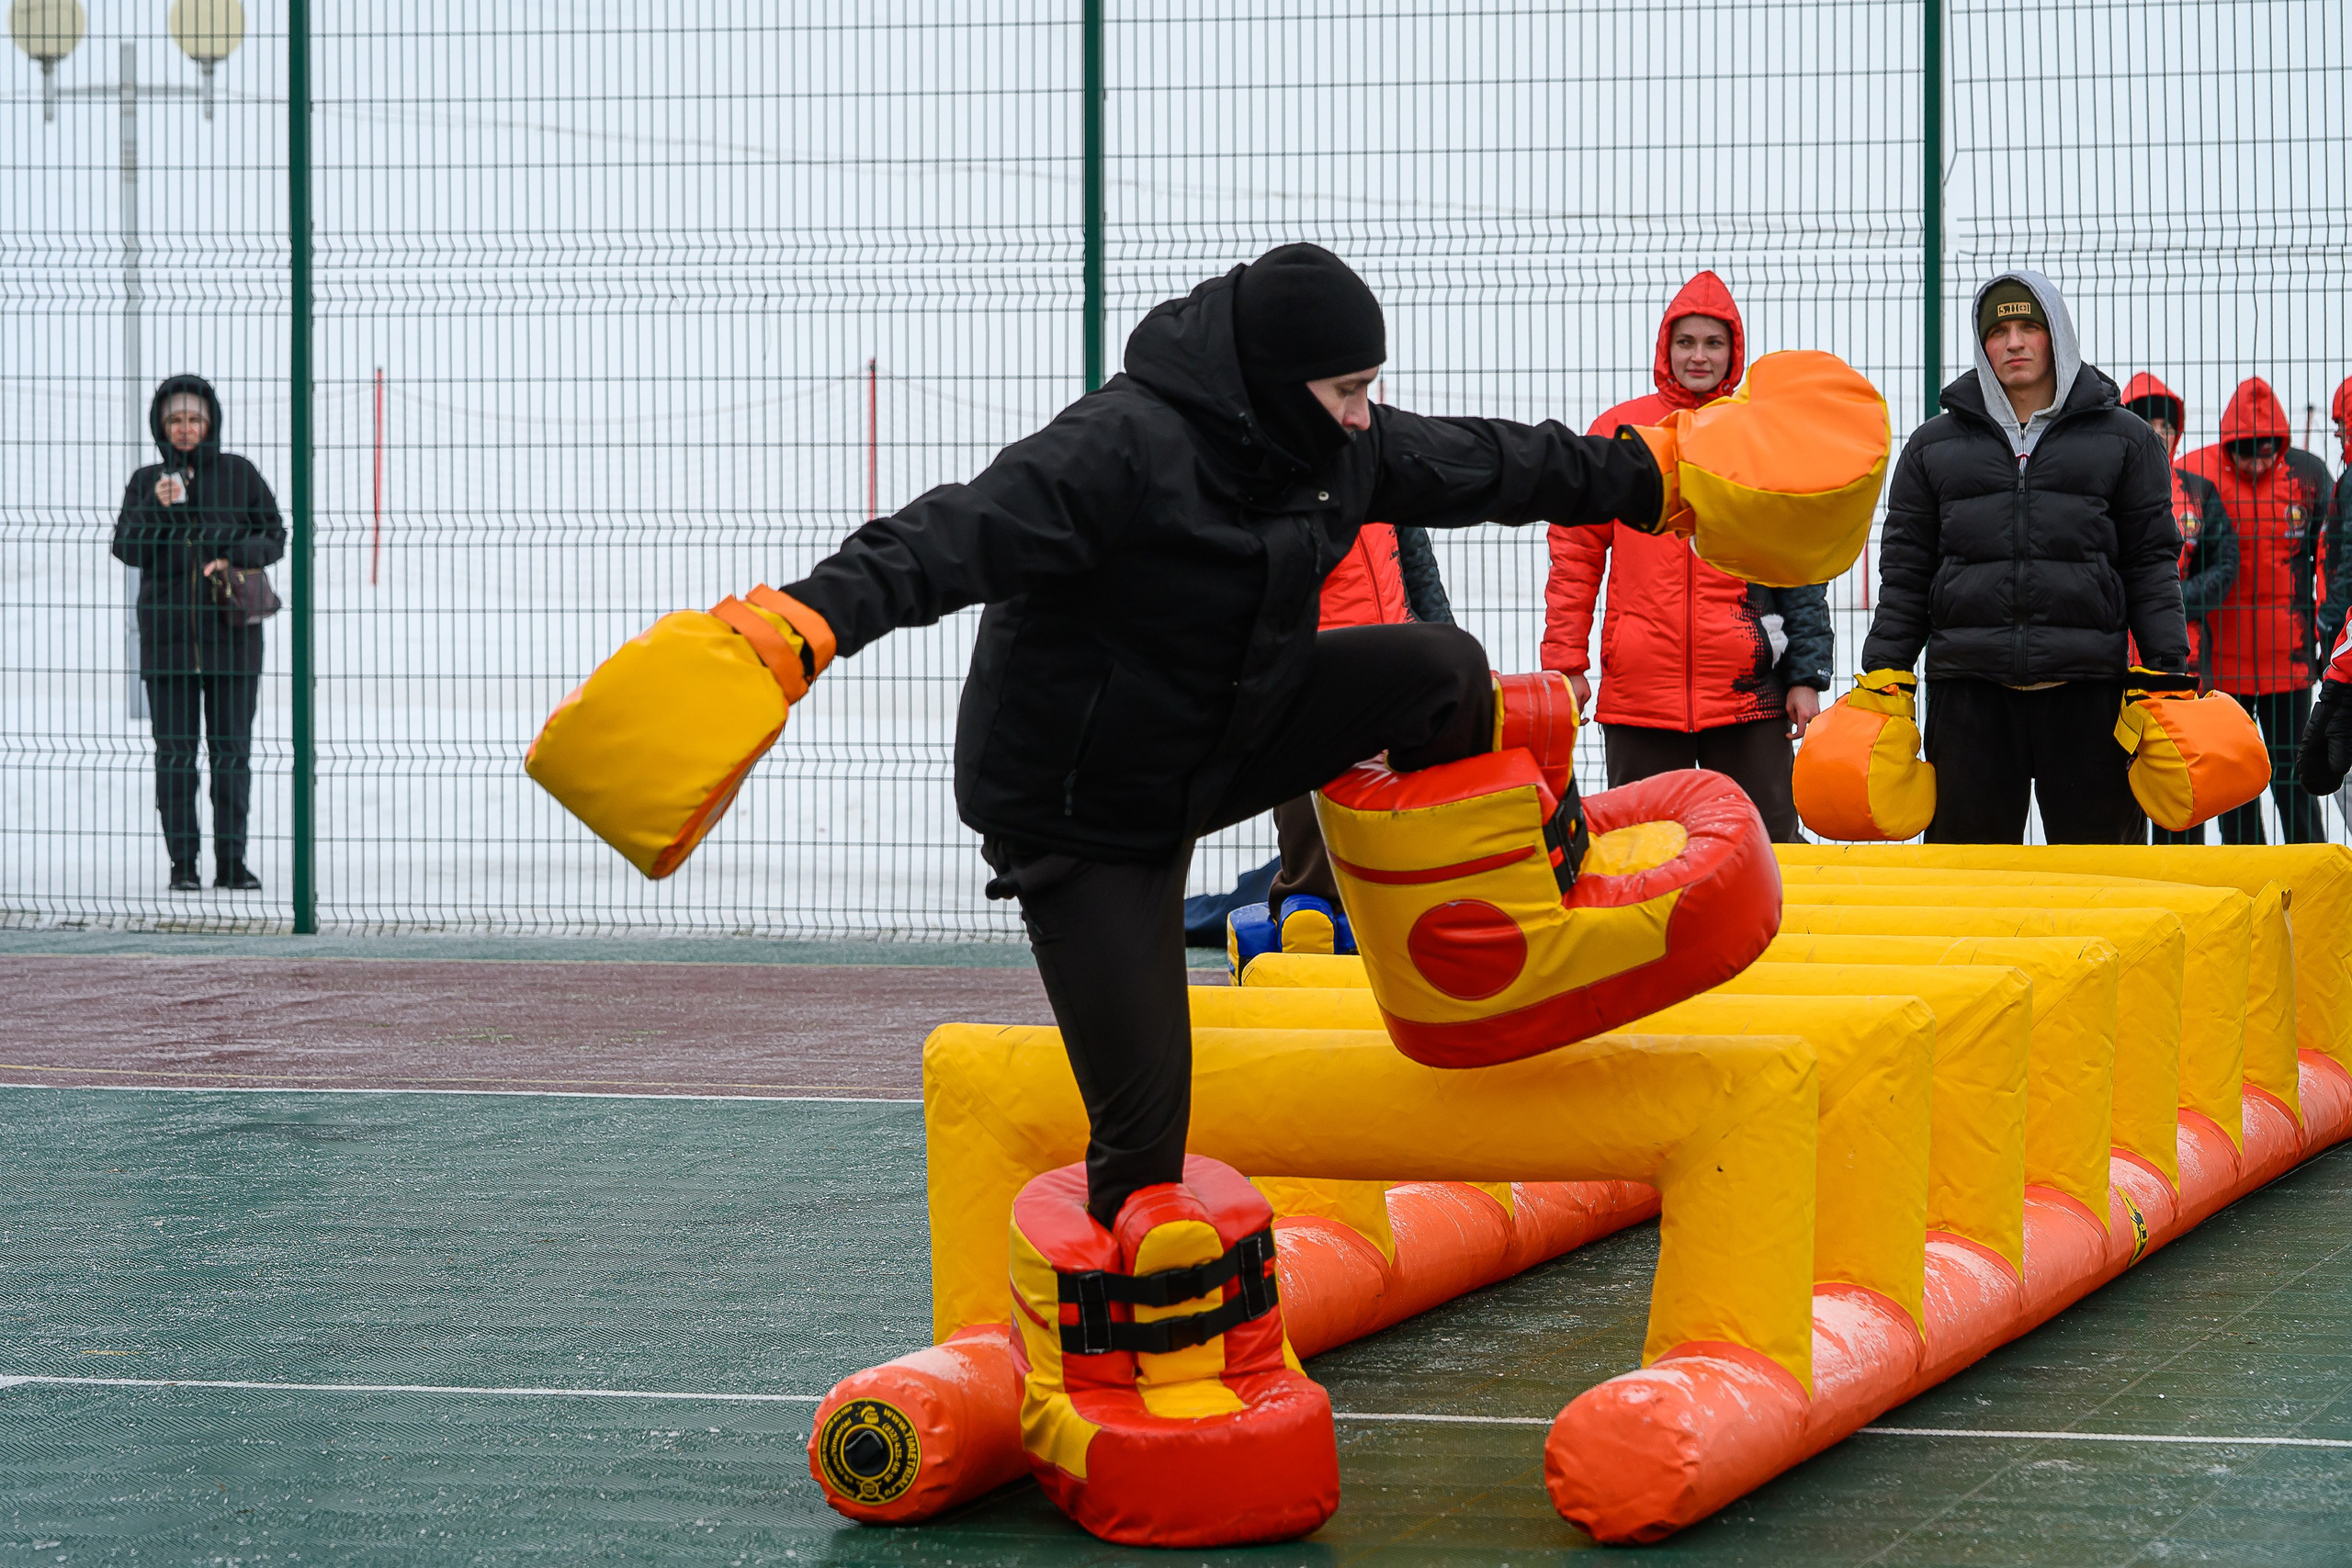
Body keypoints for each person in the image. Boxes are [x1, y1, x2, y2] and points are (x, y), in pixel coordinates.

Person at [775, 244, 1668, 1228]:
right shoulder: (1117, 448)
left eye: (1371, 389)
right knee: (1147, 1134)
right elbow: (943, 539)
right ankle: (1136, 1340)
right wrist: (791, 632)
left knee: (1440, 668)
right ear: (1280, 383)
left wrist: (1647, 477)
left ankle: (1473, 950)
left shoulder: (1335, 446)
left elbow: (1489, 463)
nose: (1363, 413)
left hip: (1229, 731)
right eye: (1346, 391)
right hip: (1088, 814)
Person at [1860, 270, 2187, 844]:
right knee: (1968, 881)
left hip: (2089, 692)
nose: (2013, 342)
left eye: (2029, 326)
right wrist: (1886, 673)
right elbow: (1906, 572)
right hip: (1969, 694)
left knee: (2101, 877)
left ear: (2056, 333)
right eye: (1999, 330)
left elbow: (2150, 566)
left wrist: (2166, 672)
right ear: (1982, 344)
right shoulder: (1931, 447)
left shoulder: (2128, 440)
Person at [1541, 271, 1832, 841]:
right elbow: (1575, 556)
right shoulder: (1619, 433)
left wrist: (1806, 676)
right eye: (1687, 342)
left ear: (1734, 351)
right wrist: (1565, 665)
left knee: (1768, 853)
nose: (1699, 356)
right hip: (1639, 696)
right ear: (1665, 347)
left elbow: (1800, 567)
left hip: (1748, 695)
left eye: (1714, 343)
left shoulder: (1760, 436)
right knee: (1643, 855)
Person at [110, 375, 284, 891]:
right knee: (175, 757)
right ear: (161, 426)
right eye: (175, 420)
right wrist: (154, 509)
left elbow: (273, 535)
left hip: (233, 641)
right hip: (167, 646)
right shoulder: (146, 481)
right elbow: (128, 550)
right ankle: (182, 864)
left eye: (194, 419)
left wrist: (232, 556)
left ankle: (232, 862)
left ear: (210, 421)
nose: (185, 429)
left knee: (232, 754)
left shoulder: (239, 474)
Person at [2181, 377, 2341, 843]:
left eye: (2269, 451)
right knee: (2235, 786)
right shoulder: (2199, 474)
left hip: (2288, 665)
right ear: (2229, 444)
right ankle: (2244, 882)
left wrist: (2323, 639)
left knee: (2295, 782)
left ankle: (2308, 875)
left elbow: (2330, 559)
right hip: (2221, 668)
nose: (2259, 462)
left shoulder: (2308, 476)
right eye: (2248, 452)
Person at [2120, 373, 2239, 845]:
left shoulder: (2199, 492)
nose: (2158, 432)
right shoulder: (2102, 485)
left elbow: (2225, 566)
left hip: (2178, 660)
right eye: (2146, 422)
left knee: (2182, 778)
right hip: (2111, 662)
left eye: (2166, 425)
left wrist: (2164, 603)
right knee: (2117, 788)